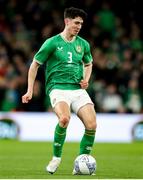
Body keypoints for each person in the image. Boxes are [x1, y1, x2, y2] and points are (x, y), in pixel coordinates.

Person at [22, 7, 97, 175]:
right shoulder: (52, 43)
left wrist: (86, 79)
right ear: (67, 21)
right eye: (76, 23)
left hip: (77, 90)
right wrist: (29, 90)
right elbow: (34, 65)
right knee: (64, 119)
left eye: (81, 24)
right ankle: (56, 158)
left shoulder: (83, 44)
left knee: (92, 125)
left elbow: (89, 63)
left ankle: (82, 163)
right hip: (58, 89)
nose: (79, 26)